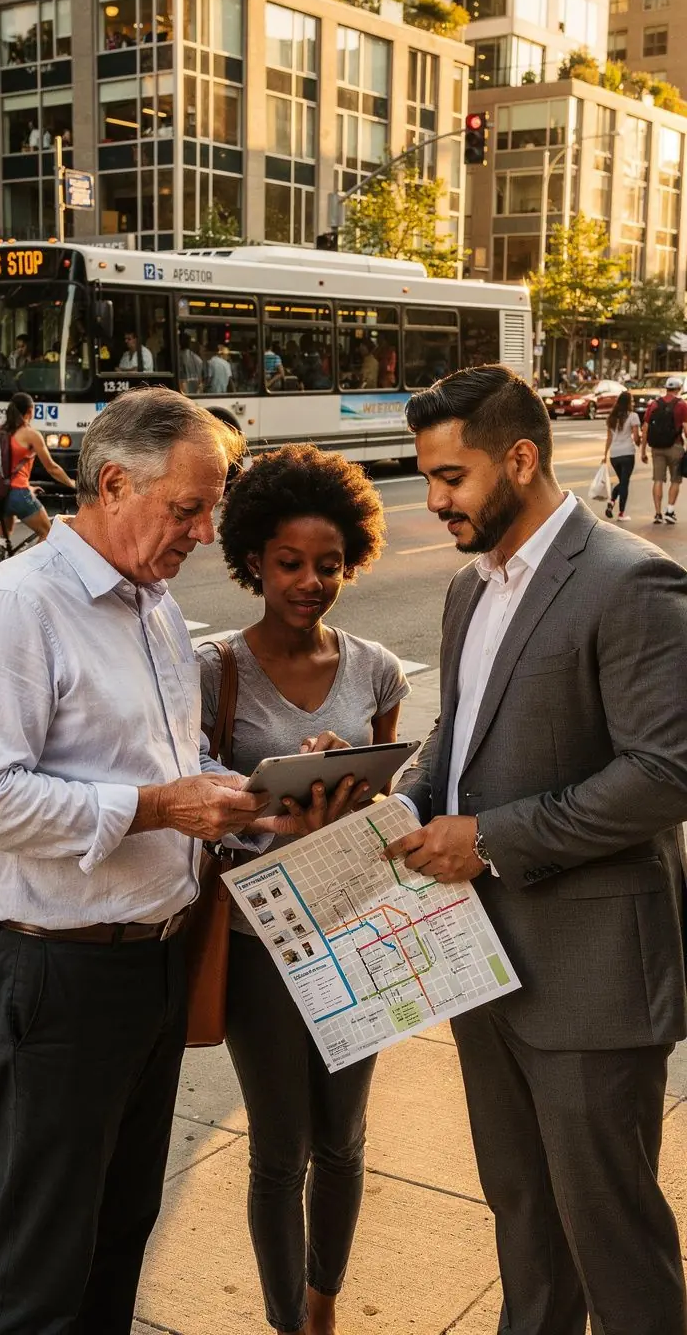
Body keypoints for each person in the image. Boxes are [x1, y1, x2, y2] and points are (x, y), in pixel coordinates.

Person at [0, 388, 330, 1335]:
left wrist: (254, 802)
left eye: (209, 509)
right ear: (113, 484)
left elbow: (170, 761)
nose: (203, 533)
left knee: (117, 1238)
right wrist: (158, 807)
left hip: (151, 963)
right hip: (54, 972)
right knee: (40, 1265)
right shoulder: (16, 608)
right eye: (187, 509)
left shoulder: (152, 603)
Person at [389, 364, 687, 1335]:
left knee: (613, 1241)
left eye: (452, 478)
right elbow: (460, 730)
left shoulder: (629, 579)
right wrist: (405, 799)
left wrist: (490, 839)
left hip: (591, 980)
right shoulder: (470, 588)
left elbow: (667, 772)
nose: (436, 503)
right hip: (480, 966)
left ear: (520, 459)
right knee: (522, 1219)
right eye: (428, 480)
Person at [199, 445, 410, 1335]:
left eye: (329, 564)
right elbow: (194, 803)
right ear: (253, 558)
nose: (311, 582)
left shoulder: (377, 669)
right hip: (261, 942)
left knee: (344, 1141)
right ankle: (287, 1322)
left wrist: (357, 781)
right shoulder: (215, 670)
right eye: (290, 563)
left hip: (357, 931)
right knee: (280, 1152)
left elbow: (395, 799)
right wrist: (269, 805)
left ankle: (324, 1308)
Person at [0, 392, 76, 544]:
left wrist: (28, 487)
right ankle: (29, 561)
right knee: (47, 532)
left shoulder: (1, 431)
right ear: (30, 411)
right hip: (18, 492)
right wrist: (71, 483)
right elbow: (52, 468)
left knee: (2, 540)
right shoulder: (31, 434)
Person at [640, 373, 687, 524]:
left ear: (666, 388)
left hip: (657, 448)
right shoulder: (682, 405)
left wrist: (643, 451)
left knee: (658, 480)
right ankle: (670, 511)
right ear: (679, 389)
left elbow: (645, 428)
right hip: (675, 447)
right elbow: (686, 429)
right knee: (675, 480)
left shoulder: (654, 404)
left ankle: (658, 513)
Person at [603, 388, 641, 521]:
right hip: (627, 453)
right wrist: (640, 443)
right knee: (624, 483)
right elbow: (636, 437)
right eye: (632, 401)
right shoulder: (633, 416)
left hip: (614, 455)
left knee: (622, 482)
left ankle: (611, 502)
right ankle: (621, 513)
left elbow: (609, 438)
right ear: (628, 403)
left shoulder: (611, 418)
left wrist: (605, 455)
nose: (633, 403)